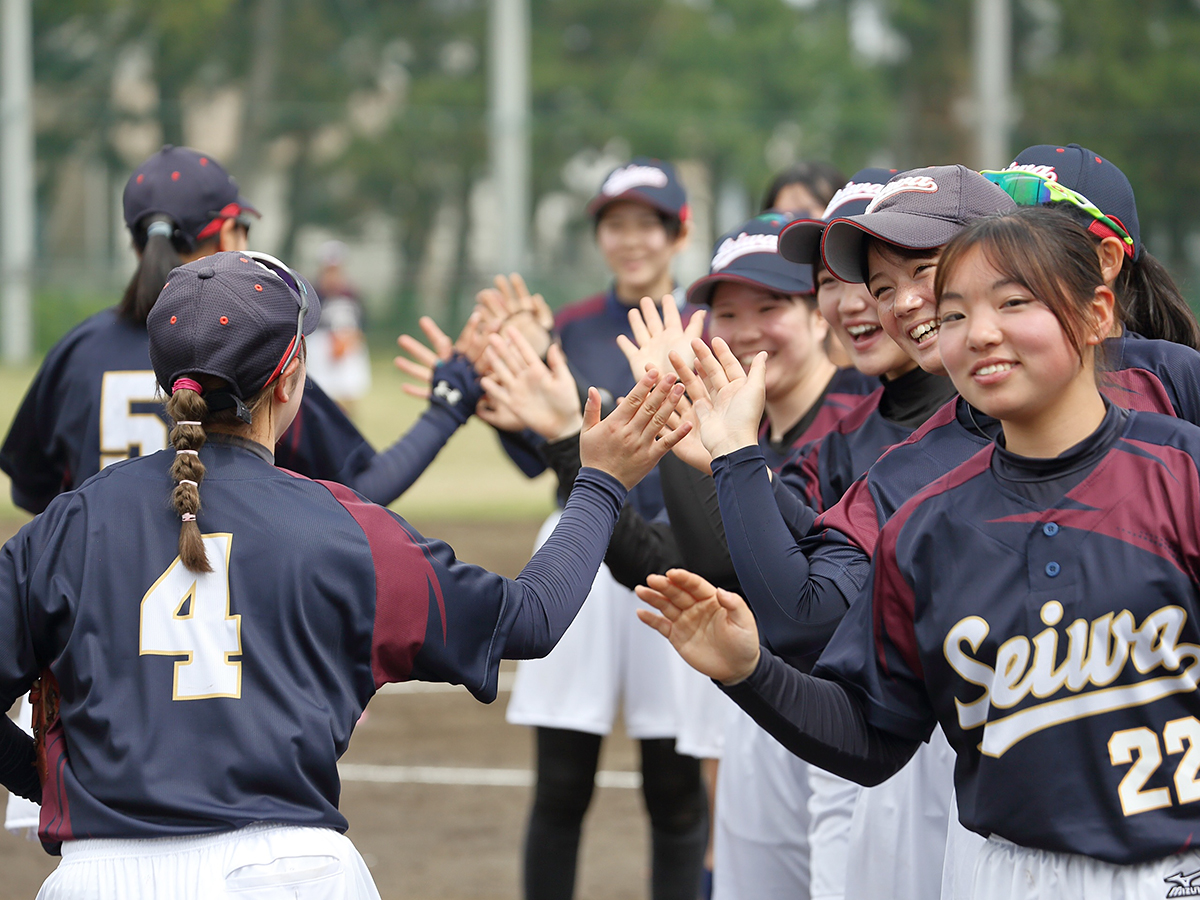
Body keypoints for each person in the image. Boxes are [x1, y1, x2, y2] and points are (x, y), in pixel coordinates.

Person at [0, 250, 689, 898]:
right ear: (292, 375)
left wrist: (49, 780)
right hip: (288, 872)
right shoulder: (343, 530)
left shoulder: (64, 528)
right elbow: (531, 618)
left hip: (100, 876)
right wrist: (598, 482)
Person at [639, 206, 1200, 900]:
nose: (981, 333)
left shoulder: (1183, 466)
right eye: (956, 314)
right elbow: (872, 737)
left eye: (1013, 302)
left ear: (1094, 314)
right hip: (999, 871)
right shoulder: (922, 524)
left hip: (1170, 868)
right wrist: (749, 671)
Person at [0, 145, 481, 516]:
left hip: (99, 623)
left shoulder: (76, 352)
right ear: (227, 235)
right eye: (243, 226)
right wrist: (447, 405)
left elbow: (33, 490)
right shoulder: (248, 349)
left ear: (135, 242)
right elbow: (363, 487)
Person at [499, 157, 710, 900]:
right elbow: (532, 458)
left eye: (646, 224)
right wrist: (511, 390)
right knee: (562, 783)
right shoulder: (571, 325)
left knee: (675, 786)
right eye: (614, 225)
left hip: (673, 555)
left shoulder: (710, 324)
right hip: (580, 554)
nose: (630, 240)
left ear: (678, 232)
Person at [306, 240, 371, 414]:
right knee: (321, 390)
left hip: (348, 343)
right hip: (321, 345)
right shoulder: (314, 292)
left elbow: (362, 321)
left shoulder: (352, 293)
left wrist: (351, 339)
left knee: (349, 390)